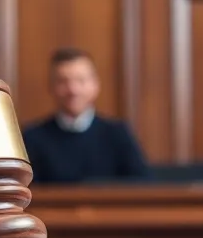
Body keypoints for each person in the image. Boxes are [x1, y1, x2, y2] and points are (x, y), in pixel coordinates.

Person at [21, 48, 149, 184]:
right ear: (51, 87)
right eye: (63, 81)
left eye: (81, 80)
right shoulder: (32, 138)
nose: (73, 90)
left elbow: (142, 184)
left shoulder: (117, 133)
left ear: (95, 85)